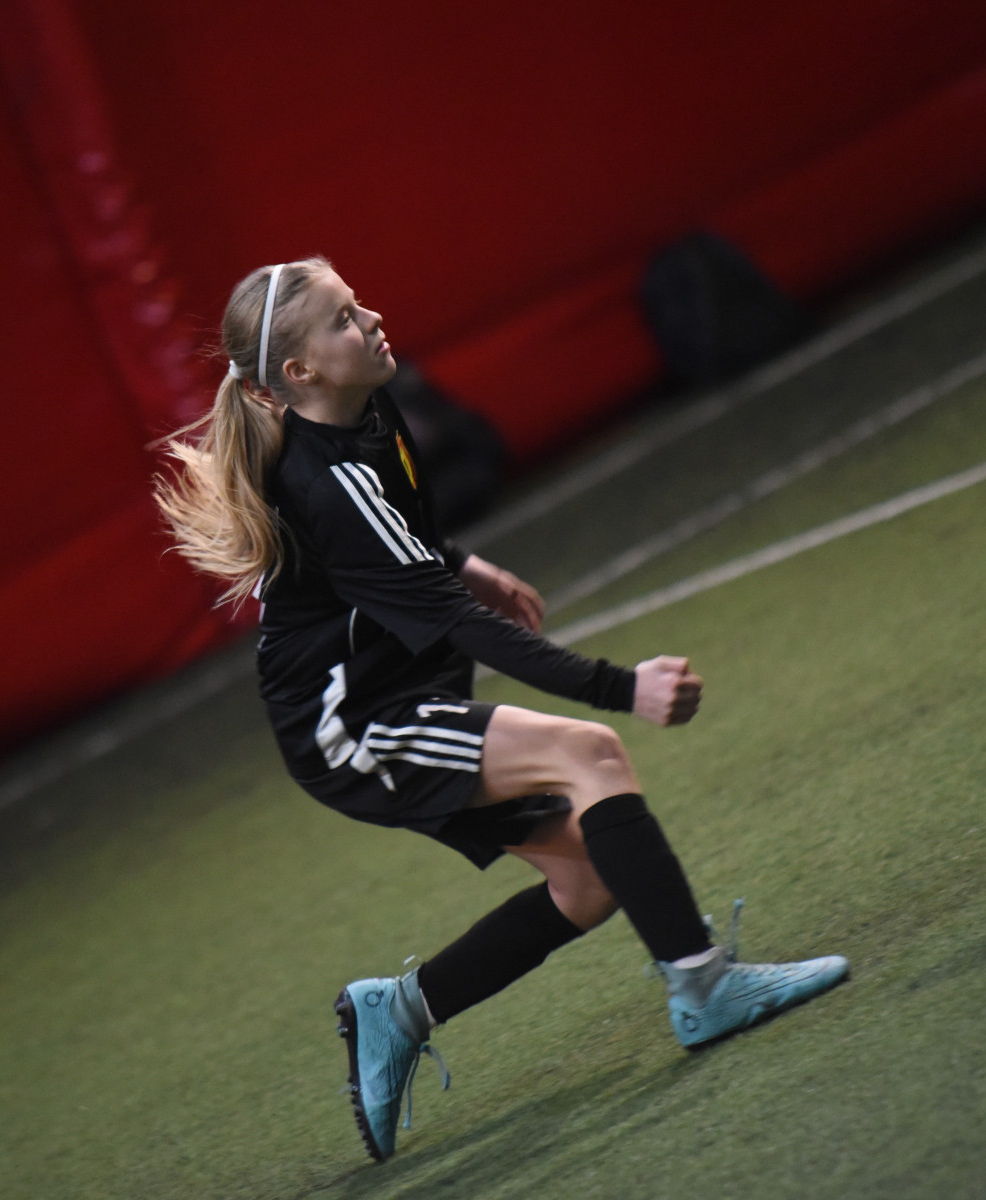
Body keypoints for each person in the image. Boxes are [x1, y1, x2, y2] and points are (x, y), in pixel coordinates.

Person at [156, 257, 847, 1163]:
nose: (371, 318)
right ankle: (704, 988)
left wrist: (462, 560)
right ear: (300, 372)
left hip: (404, 688)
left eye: (358, 302)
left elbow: (400, 539)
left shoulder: (368, 408)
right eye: (343, 319)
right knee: (590, 752)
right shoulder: (325, 480)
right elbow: (452, 616)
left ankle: (399, 1010)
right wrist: (621, 686)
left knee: (590, 883)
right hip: (355, 727)